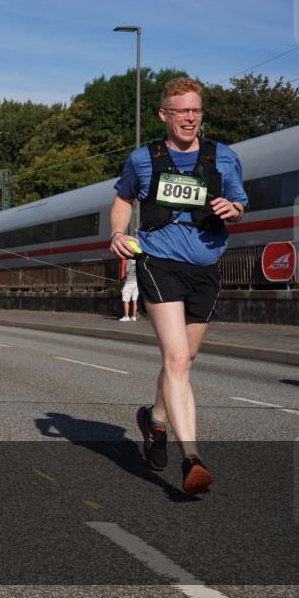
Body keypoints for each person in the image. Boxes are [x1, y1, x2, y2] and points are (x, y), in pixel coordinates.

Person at [109, 77, 247, 496]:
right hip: (159, 262)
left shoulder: (223, 157)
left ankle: (154, 419)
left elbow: (240, 202)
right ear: (164, 115)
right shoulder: (142, 159)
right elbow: (122, 199)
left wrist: (233, 208)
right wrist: (117, 234)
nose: (190, 117)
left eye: (196, 110)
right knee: (176, 358)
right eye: (181, 111)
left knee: (183, 360)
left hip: (206, 267)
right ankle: (193, 459)